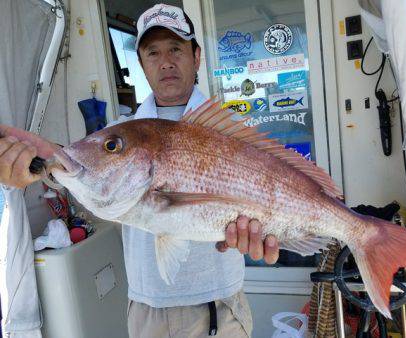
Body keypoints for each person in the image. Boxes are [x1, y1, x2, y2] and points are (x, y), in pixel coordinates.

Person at [0, 3, 280, 338]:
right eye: (152, 52)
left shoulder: (231, 133)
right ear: (143, 66)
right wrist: (38, 162)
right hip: (148, 311)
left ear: (197, 56)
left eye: (176, 48)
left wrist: (270, 234)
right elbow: (79, 171)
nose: (165, 62)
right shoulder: (122, 132)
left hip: (219, 306)